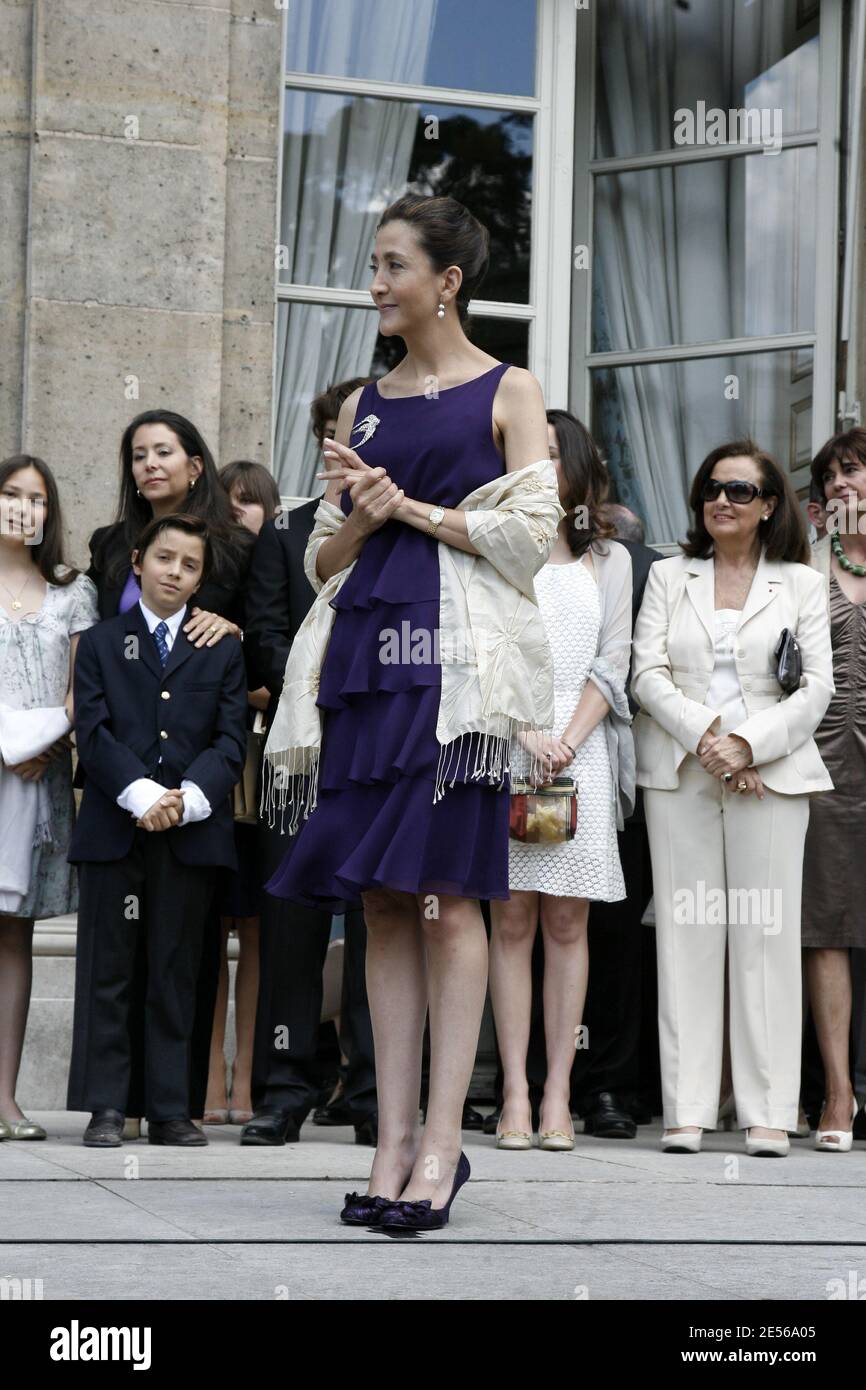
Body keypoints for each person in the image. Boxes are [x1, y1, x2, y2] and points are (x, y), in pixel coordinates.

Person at [262, 193, 563, 1229]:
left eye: (393, 264)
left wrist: (409, 508)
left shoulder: (508, 388)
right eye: (372, 263)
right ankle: (388, 1141)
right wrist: (360, 517)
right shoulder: (361, 405)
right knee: (380, 899)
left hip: (456, 678)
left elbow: (532, 540)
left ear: (447, 279)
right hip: (362, 663)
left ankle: (445, 1141)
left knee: (445, 893)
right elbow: (319, 557)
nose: (376, 281)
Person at [632, 439, 834, 1157]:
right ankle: (685, 1109)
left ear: (769, 506)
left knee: (765, 938)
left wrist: (749, 746)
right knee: (687, 935)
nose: (723, 500)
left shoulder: (802, 584)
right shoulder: (666, 575)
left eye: (741, 491)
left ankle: (769, 1110)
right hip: (683, 773)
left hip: (771, 780)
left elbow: (816, 689)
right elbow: (646, 674)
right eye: (713, 488)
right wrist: (713, 740)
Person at [86, 411, 253, 1136]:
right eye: (163, 562)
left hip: (190, 828)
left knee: (177, 968)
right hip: (116, 826)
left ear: (201, 579)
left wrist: (187, 800)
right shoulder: (100, 641)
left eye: (189, 567)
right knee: (111, 970)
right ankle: (104, 1106)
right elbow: (92, 728)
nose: (175, 572)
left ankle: (169, 1108)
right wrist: (141, 793)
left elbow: (229, 737)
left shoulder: (217, 646)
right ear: (137, 566)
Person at [489, 411, 634, 1152]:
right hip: (511, 751)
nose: (541, 466)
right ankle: (512, 1089)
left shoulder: (609, 559)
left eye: (552, 456)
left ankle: (557, 1094)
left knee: (569, 923)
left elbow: (614, 661)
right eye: (528, 454)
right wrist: (526, 734)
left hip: (582, 759)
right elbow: (481, 657)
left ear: (577, 468)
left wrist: (568, 741)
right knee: (510, 922)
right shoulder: (497, 551)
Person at [242, 429, 378, 1149]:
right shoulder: (288, 529)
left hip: (378, 749)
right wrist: (313, 686)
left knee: (378, 920)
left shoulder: (401, 521)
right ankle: (284, 1090)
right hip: (298, 750)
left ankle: (372, 1092)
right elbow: (263, 635)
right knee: (291, 922)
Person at [0, 455, 98, 1140]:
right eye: (10, 493)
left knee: (15, 935)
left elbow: (79, 688)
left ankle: (4, 1100)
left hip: (39, 776)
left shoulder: (72, 591)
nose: (23, 507)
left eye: (36, 497)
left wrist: (45, 743)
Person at [202, 461, 281, 1125]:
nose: (240, 513)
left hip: (271, 770)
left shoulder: (281, 564)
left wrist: (245, 647)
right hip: (215, 768)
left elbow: (277, 672)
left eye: (252, 502)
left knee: (257, 933)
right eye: (230, 502)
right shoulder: (211, 572)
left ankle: (248, 1082)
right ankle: (205, 1083)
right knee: (209, 931)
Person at [800, 428, 866, 1151]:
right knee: (827, 931)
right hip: (821, 769)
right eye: (833, 477)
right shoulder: (804, 564)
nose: (844, 484)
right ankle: (838, 1095)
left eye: (856, 470)